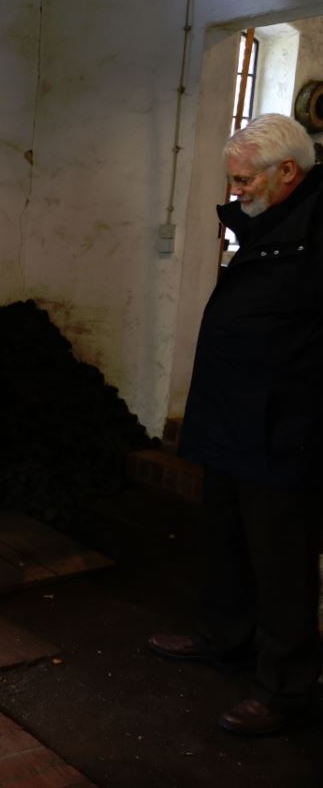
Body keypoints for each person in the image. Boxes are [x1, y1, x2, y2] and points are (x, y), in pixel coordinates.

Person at [150, 113, 323, 737]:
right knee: (225, 540)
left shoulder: (317, 226)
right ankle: (223, 638)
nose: (236, 190)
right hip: (233, 419)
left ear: (287, 171)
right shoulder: (269, 217)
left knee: (282, 563)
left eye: (245, 179)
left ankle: (284, 688)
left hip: (283, 428)